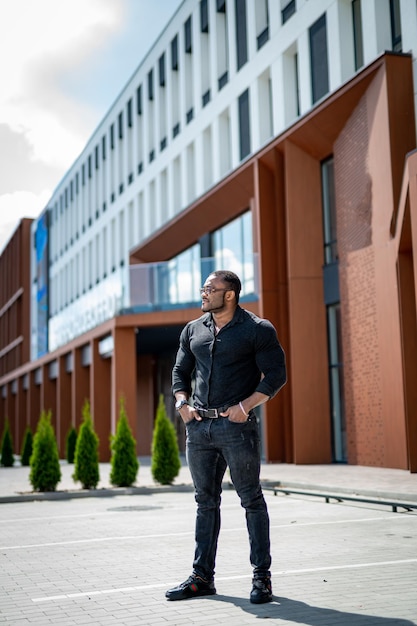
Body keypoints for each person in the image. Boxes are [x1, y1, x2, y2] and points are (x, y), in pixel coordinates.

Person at [166, 270, 286, 604]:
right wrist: (182, 403)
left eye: (210, 288)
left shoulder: (257, 329)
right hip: (199, 428)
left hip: (237, 429)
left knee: (251, 500)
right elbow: (180, 371)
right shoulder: (193, 329)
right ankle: (202, 577)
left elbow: (277, 374)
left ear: (229, 294)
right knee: (205, 503)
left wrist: (246, 406)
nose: (203, 293)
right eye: (204, 287)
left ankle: (262, 578)